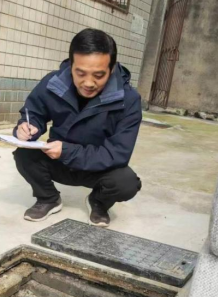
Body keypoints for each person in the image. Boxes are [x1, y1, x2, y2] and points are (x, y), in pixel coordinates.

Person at [13, 28, 143, 228]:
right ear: (71, 65)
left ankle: (98, 202)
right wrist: (27, 127)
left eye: (98, 75)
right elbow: (34, 113)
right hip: (59, 161)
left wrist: (67, 151)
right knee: (24, 154)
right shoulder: (53, 83)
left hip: (98, 168)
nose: (88, 83)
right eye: (80, 73)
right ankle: (48, 198)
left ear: (111, 68)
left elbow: (117, 153)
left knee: (126, 183)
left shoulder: (128, 100)